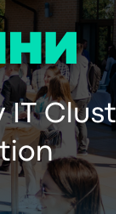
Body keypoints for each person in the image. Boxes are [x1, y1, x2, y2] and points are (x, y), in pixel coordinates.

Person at [29, 74, 79, 202]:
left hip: (57, 147)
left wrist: (30, 116)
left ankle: (49, 205)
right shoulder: (70, 104)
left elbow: (41, 125)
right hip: (69, 145)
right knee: (64, 177)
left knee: (53, 178)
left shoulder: (55, 105)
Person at [69, 41, 92, 155]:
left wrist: (67, 90)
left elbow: (73, 81)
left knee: (70, 121)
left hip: (76, 95)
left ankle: (74, 143)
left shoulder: (75, 61)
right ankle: (83, 146)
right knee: (81, 122)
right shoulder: (85, 60)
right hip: (85, 94)